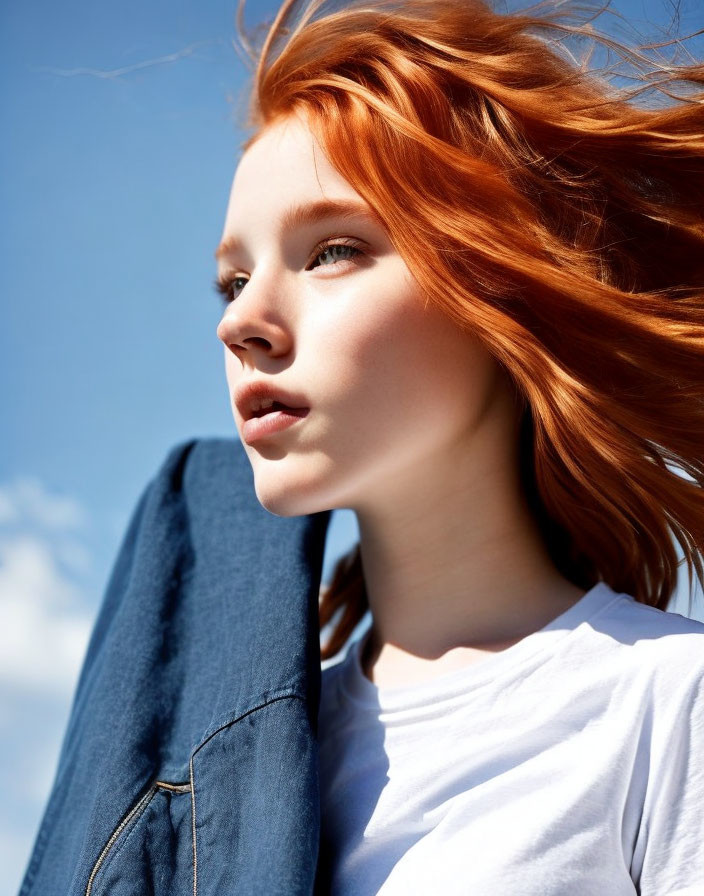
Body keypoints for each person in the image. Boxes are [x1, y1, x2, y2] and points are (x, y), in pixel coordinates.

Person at [18, 0, 704, 894]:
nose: (240, 322)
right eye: (232, 279)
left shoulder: (663, 702)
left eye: (332, 250)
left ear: (500, 290)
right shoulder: (214, 758)